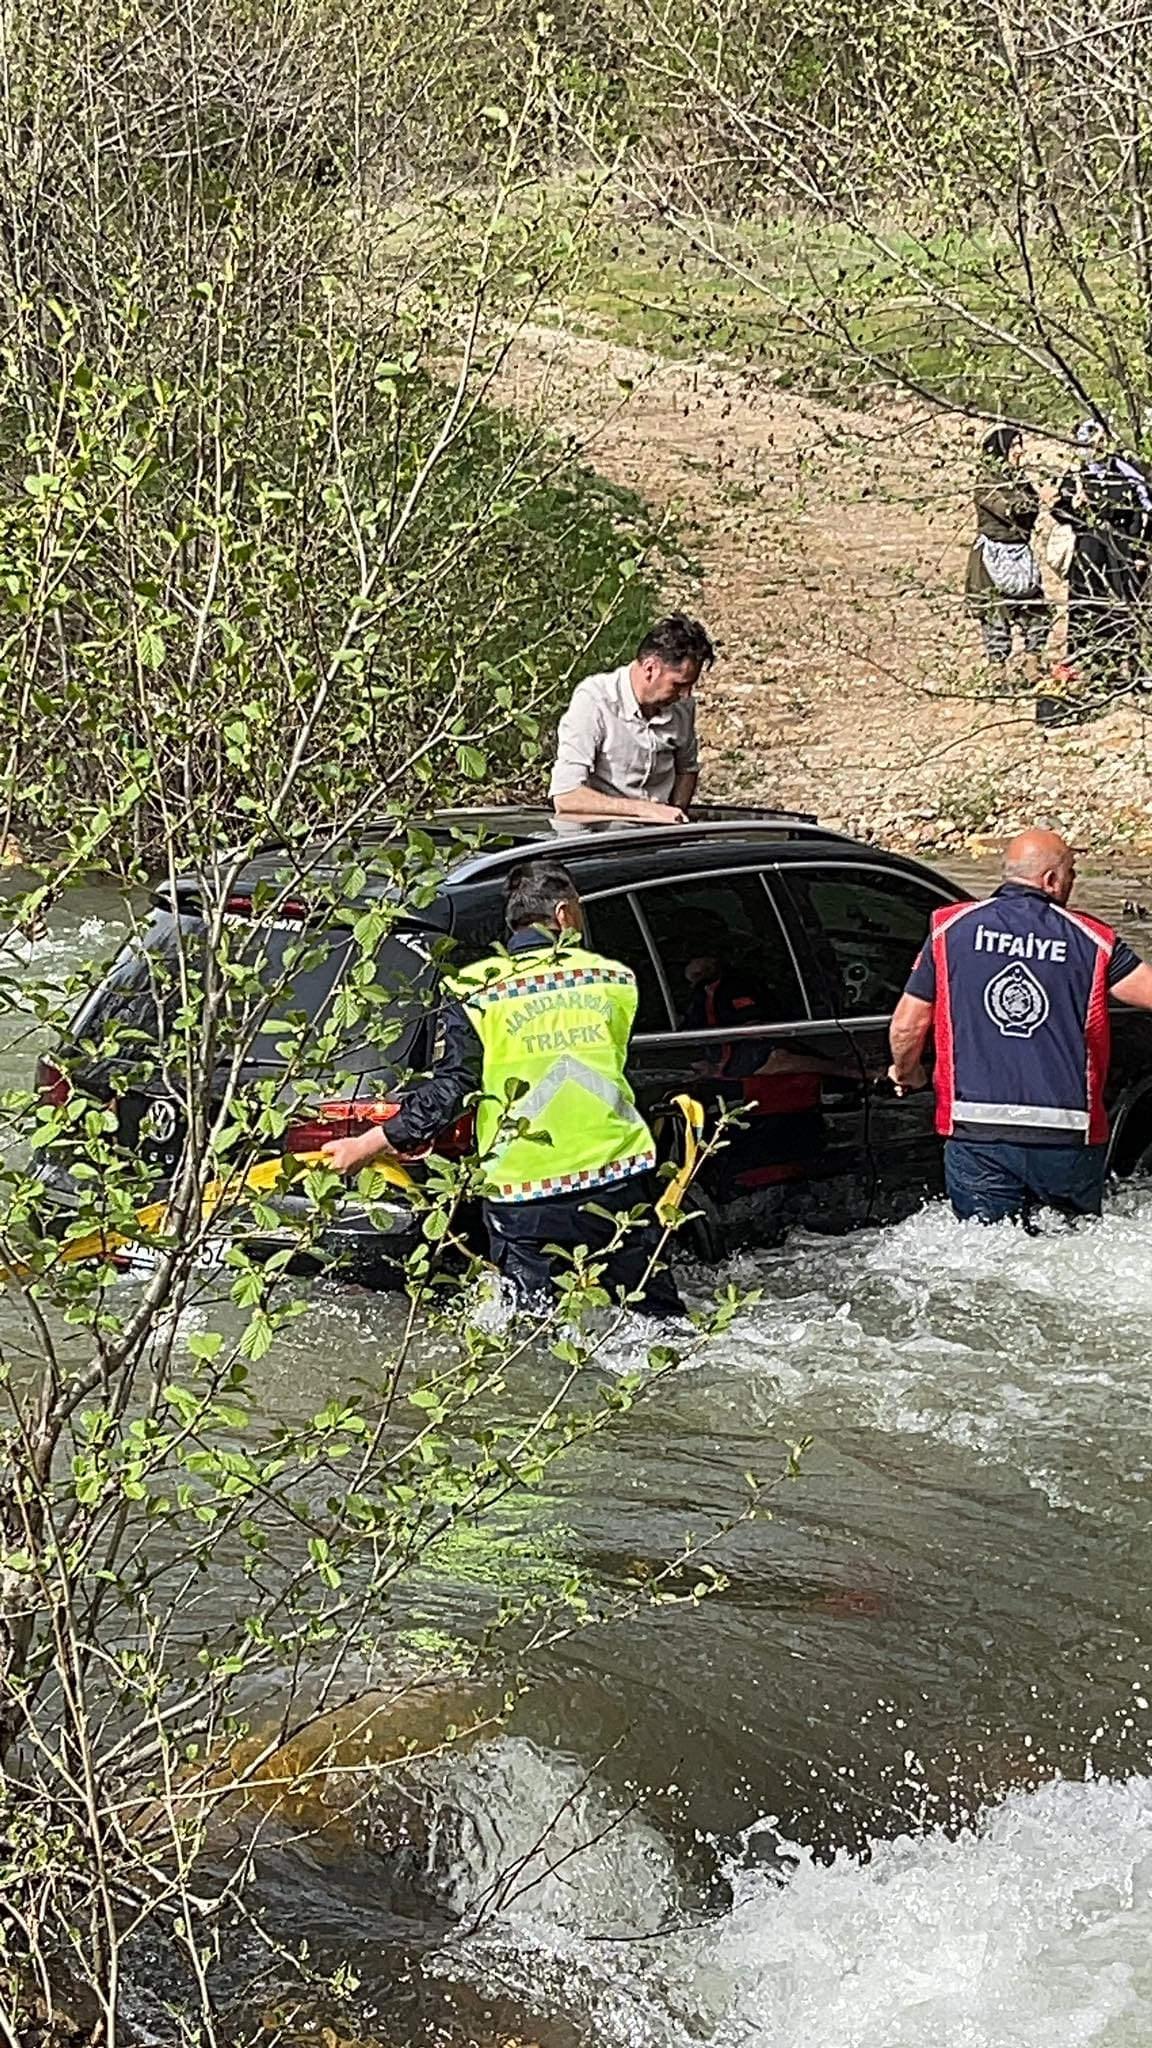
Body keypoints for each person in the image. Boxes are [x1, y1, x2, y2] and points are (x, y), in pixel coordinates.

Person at [321, 859, 682, 1315]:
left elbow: (453, 1087)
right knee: (651, 1316)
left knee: (533, 1330)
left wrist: (369, 1143)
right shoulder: (614, 979)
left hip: (522, 1193)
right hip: (615, 1179)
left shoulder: (475, 988)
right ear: (565, 915)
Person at [887, 828, 1152, 1225]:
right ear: (1051, 880)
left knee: (983, 1258)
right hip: (1066, 1133)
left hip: (978, 1131)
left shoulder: (950, 929)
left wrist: (908, 1073)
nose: (1074, 882)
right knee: (1069, 1254)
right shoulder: (1093, 940)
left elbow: (907, 1026)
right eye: (1072, 873)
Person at [549, 615, 714, 825]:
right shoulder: (595, 701)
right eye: (678, 685)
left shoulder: (683, 706)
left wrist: (676, 813)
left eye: (690, 686)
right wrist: (647, 811)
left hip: (660, 838)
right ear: (650, 669)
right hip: (600, 840)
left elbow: (687, 769)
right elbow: (566, 797)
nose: (686, 695)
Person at [1049, 420, 1152, 691]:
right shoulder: (1077, 475)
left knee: (1125, 605)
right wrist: (1074, 506)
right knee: (1088, 606)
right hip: (1089, 551)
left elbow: (1140, 511)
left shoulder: (1124, 472)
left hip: (1120, 549)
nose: (1100, 447)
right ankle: (1094, 667)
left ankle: (1129, 664)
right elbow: (1058, 512)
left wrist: (1138, 551)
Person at [965, 426, 1051, 688]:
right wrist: (1038, 502)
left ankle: (1032, 666)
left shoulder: (1020, 481)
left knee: (1037, 612)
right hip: (992, 557)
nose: (1020, 451)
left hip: (1019, 554)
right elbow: (1007, 510)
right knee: (995, 617)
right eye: (1015, 446)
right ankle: (996, 676)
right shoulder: (987, 482)